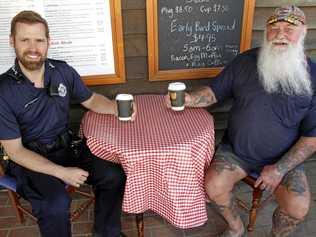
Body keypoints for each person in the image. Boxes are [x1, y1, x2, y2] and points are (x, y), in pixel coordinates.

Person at [167, 5, 316, 237]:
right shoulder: (245, 62)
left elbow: (311, 138)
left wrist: (278, 170)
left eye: (289, 28)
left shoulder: (313, 78)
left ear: (303, 32)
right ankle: (235, 228)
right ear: (266, 32)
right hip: (236, 152)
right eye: (274, 28)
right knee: (214, 185)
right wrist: (189, 99)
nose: (280, 34)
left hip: (283, 158)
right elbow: (213, 93)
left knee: (298, 207)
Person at [0, 10, 135, 237]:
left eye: (39, 40)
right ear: (12, 41)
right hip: (28, 161)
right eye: (25, 40)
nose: (33, 48)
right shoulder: (3, 90)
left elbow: (91, 100)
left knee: (113, 176)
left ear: (48, 42)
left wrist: (116, 108)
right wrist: (61, 172)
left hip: (66, 147)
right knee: (55, 203)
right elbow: (15, 151)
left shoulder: (62, 71)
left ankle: (107, 233)